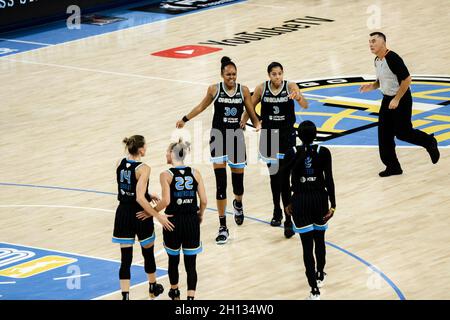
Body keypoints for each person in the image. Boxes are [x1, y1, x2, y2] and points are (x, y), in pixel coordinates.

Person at [176, 56, 261, 245]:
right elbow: (201, 106)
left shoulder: (244, 91)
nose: (232, 77)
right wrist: (185, 119)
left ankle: (238, 203)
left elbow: (251, 111)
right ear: (222, 75)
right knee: (221, 184)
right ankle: (223, 226)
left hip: (236, 139)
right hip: (218, 139)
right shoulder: (214, 89)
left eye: (234, 74)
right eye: (228, 74)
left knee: (238, 184)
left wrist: (257, 124)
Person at [360, 32, 440, 177]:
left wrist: (396, 99)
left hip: (401, 99)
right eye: (369, 42)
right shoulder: (377, 60)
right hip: (387, 99)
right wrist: (371, 86)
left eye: (374, 41)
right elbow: (381, 81)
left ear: (383, 43)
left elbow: (407, 80)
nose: (370, 44)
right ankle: (393, 167)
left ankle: (429, 141)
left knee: (403, 132)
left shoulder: (393, 58)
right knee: (384, 135)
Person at [139, 138, 207, 300]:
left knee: (173, 261)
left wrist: (151, 212)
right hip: (191, 221)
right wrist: (200, 215)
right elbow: (204, 201)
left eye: (167, 151)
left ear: (172, 154)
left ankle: (175, 293)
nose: (165, 154)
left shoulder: (166, 175)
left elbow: (166, 201)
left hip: (173, 222)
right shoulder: (195, 173)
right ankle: (190, 298)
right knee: (191, 265)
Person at [246, 61, 308, 238]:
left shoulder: (290, 86)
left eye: (280, 73)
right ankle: (276, 211)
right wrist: (250, 120)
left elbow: (305, 105)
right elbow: (249, 105)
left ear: (283, 73)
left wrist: (298, 98)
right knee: (274, 178)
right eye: (274, 74)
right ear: (269, 75)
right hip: (269, 136)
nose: (277, 77)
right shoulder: (261, 88)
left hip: (287, 136)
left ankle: (289, 219)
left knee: (285, 179)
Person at [112, 135, 174, 300]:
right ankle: (153, 287)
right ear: (140, 149)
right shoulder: (144, 168)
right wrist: (156, 215)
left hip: (123, 213)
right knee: (148, 253)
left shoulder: (119, 162)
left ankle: (125, 296)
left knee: (125, 259)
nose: (146, 149)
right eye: (145, 146)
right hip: (140, 215)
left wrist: (148, 193)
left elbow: (127, 188)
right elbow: (139, 198)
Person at [284, 121, 336, 300]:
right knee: (320, 241)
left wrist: (287, 203)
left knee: (307, 247)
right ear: (315, 135)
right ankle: (320, 273)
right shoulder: (324, 152)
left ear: (299, 136)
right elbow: (329, 179)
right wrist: (333, 205)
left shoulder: (292, 152)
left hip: (301, 201)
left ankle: (314, 290)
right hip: (320, 199)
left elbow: (283, 181)